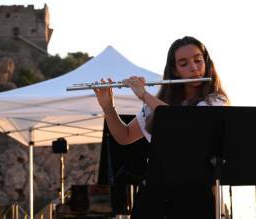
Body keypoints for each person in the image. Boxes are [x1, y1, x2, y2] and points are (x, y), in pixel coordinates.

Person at [94, 36, 229, 218]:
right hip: (155, 195)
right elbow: (124, 136)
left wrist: (144, 95)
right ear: (174, 70)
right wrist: (108, 107)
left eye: (198, 60)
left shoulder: (215, 101)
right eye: (184, 64)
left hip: (194, 197)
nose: (194, 68)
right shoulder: (158, 102)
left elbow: (181, 123)